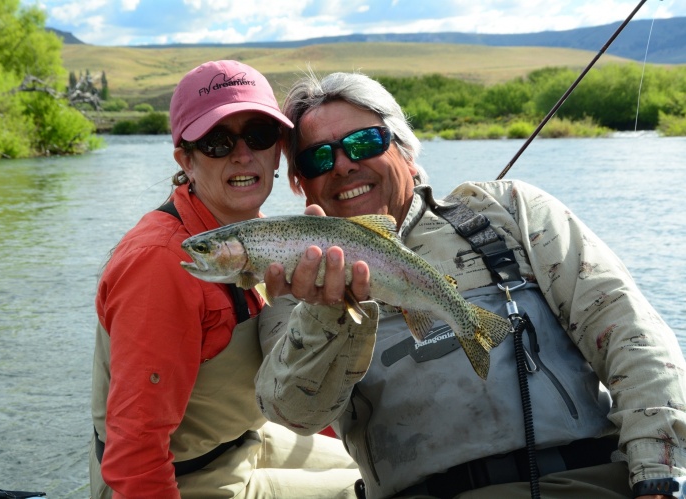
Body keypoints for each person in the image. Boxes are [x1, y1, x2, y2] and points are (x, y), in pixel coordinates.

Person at [254, 70, 686, 499]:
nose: (344, 164)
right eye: (318, 158)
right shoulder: (286, 280)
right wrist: (323, 312)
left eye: (364, 142)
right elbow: (293, 414)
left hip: (580, 483)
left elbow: (632, 336)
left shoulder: (508, 211)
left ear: (406, 151)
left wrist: (656, 477)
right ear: (299, 183)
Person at [88, 60, 360, 499]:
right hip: (181, 479)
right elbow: (134, 451)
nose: (242, 154)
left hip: (242, 441)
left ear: (278, 151)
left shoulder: (260, 234)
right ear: (186, 161)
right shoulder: (160, 266)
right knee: (377, 490)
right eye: (217, 141)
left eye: (259, 134)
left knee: (382, 460)